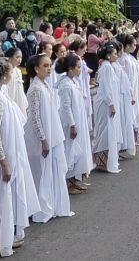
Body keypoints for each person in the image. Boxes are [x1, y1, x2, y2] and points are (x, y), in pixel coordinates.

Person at [0, 57, 40, 257]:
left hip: (11, 153)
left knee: (9, 195)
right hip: (1, 158)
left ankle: (9, 234)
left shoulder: (0, 94)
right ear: (3, 75)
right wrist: (3, 162)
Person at [24, 54, 74, 223]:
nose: (49, 68)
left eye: (49, 65)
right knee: (43, 173)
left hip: (54, 134)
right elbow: (35, 117)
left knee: (55, 171)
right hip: (44, 138)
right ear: (36, 69)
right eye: (45, 66)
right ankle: (42, 208)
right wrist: (43, 139)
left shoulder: (45, 85)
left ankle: (54, 205)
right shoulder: (35, 89)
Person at [56, 54, 91, 193]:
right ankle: (67, 182)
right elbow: (65, 107)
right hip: (71, 123)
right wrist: (71, 125)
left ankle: (74, 179)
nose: (80, 70)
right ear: (70, 69)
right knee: (69, 152)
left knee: (77, 151)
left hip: (78, 120)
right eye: (78, 67)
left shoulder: (73, 82)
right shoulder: (65, 84)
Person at [92, 42, 123, 174]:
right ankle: (101, 161)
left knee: (107, 132)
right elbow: (106, 88)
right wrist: (111, 104)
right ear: (108, 55)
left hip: (107, 102)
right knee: (104, 132)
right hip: (105, 104)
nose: (117, 56)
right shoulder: (106, 68)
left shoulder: (108, 67)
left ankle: (104, 160)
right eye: (115, 54)